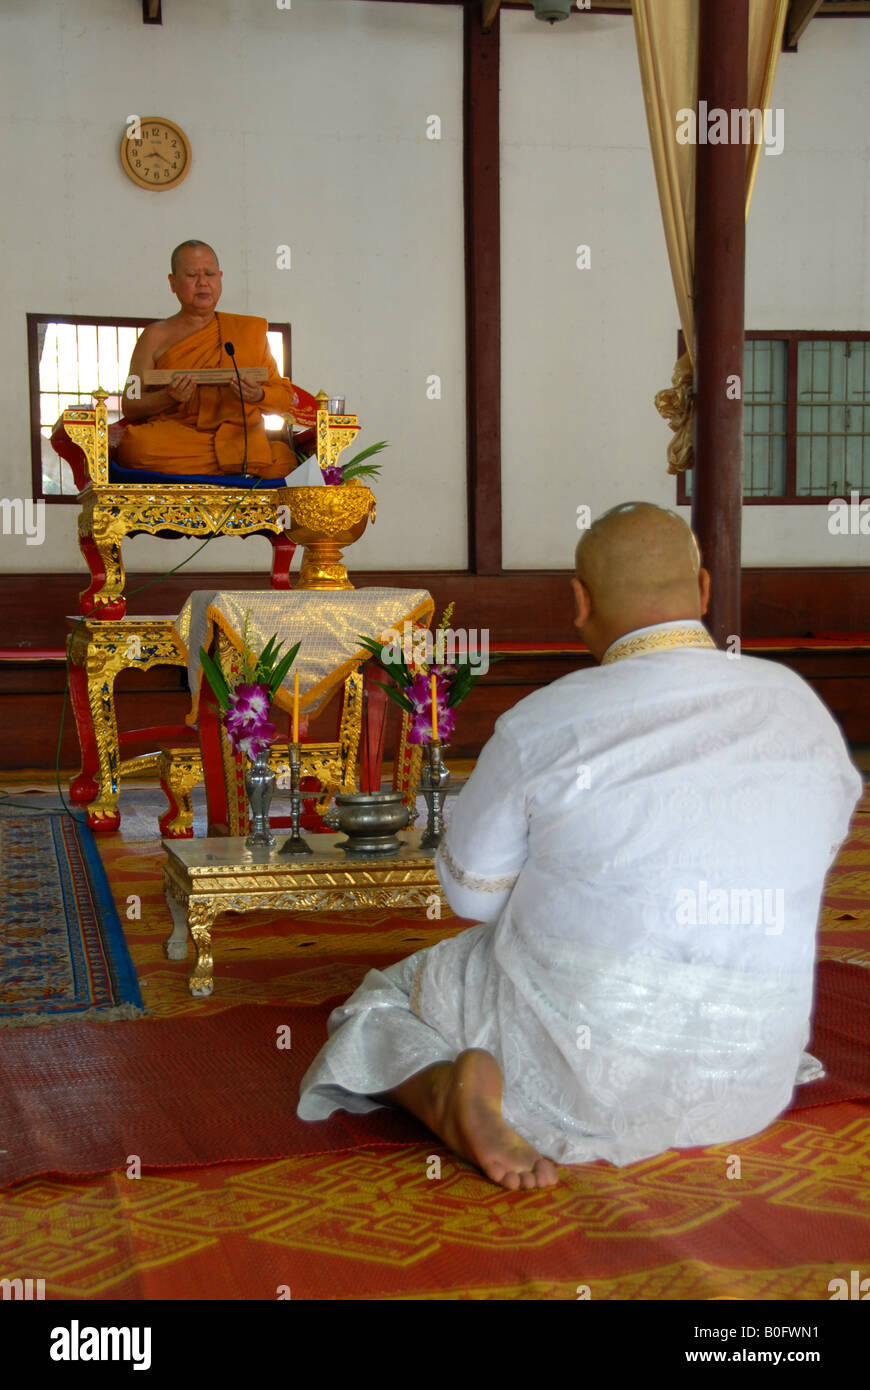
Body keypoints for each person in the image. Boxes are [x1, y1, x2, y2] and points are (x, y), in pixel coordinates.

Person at [297, 503, 863, 1190]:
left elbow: (470, 898)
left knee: (381, 1002)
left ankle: (444, 1094)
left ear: (579, 601)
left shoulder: (545, 721)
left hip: (580, 1075)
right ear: (705, 590)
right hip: (746, 1074)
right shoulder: (798, 704)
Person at [116, 240, 317, 477]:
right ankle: (239, 466)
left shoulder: (248, 331)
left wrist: (258, 395)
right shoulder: (154, 336)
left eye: (209, 274)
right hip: (180, 439)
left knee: (284, 461)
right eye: (192, 275)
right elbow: (130, 404)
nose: (203, 282)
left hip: (240, 437)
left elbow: (283, 396)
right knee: (136, 448)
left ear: (220, 278)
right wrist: (168, 397)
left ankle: (241, 462)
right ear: (173, 283)